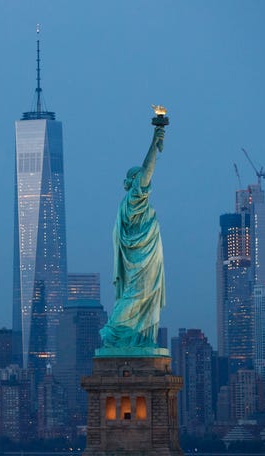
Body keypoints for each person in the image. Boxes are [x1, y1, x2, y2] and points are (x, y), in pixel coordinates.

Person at [100, 126, 166, 348]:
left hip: (143, 258)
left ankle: (139, 338)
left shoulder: (132, 205)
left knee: (142, 298)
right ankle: (113, 330)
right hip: (140, 260)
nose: (146, 183)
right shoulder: (133, 200)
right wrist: (153, 145)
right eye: (141, 179)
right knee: (137, 297)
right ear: (135, 181)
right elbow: (148, 171)